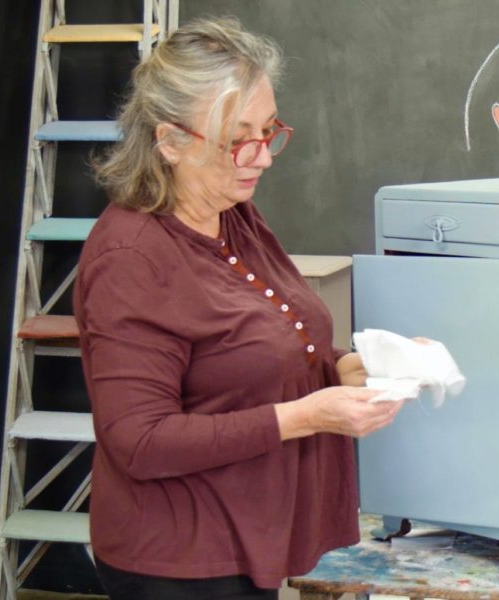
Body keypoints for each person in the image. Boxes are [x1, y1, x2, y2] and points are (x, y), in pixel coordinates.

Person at [74, 16, 404, 599]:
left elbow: (253, 353)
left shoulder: (231, 212)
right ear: (170, 140)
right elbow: (140, 441)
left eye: (269, 130)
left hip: (247, 536)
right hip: (179, 561)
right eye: (236, 140)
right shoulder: (131, 258)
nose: (262, 157)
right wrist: (308, 415)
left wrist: (346, 368)